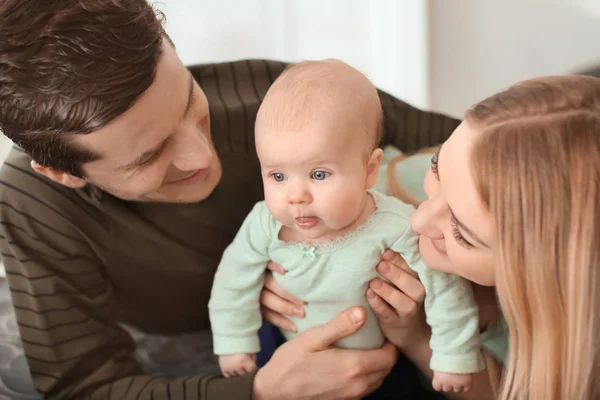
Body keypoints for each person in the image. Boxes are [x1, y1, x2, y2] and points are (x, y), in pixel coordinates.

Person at [0, 0, 461, 399]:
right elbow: (86, 388)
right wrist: (258, 392)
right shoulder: (31, 203)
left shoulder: (271, 95)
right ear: (63, 174)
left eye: (188, 103)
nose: (202, 155)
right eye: (151, 156)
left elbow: (489, 156)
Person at [318, 74, 599, 400]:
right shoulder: (381, 183)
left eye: (462, 234)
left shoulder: (566, 338)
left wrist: (415, 337)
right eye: (436, 169)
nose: (420, 220)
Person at [209, 59, 484, 393]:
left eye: (319, 174)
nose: (296, 196)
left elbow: (445, 288)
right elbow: (232, 281)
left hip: (380, 361)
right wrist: (234, 341)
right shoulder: (263, 223)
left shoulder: (395, 225)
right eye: (277, 176)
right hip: (284, 344)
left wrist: (453, 355)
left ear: (369, 170)